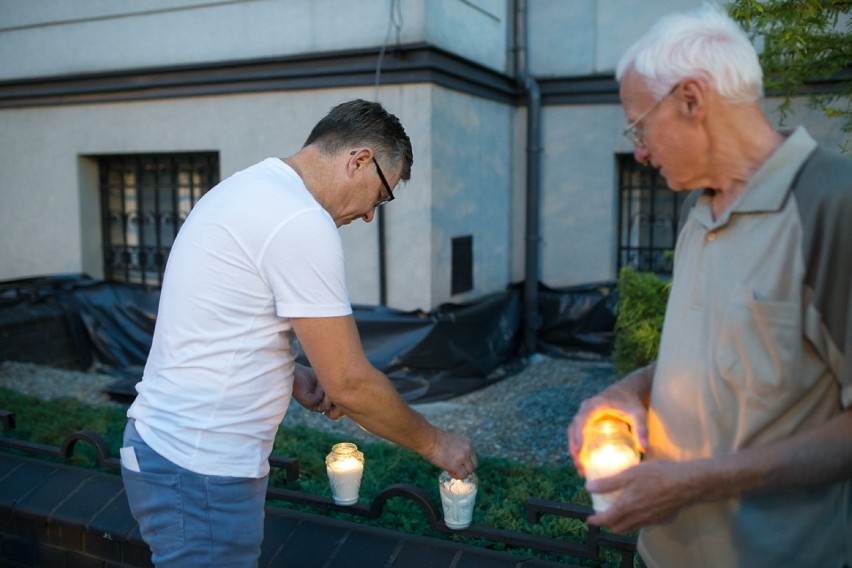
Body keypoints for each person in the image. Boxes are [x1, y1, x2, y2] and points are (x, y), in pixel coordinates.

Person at [120, 99, 477, 567]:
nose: (371, 215)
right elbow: (349, 384)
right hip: (200, 469)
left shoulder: (250, 188)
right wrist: (437, 443)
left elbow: (219, 319)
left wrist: (288, 372)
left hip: (170, 453)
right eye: (382, 195)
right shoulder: (299, 220)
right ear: (359, 160)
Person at [566, 5, 852, 567]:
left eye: (639, 126)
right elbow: (713, 353)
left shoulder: (832, 205)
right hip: (661, 553)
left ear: (692, 101)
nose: (640, 152)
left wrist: (692, 483)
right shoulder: (697, 209)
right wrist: (625, 394)